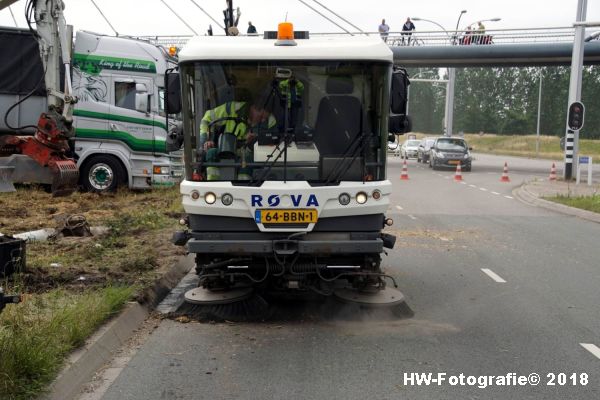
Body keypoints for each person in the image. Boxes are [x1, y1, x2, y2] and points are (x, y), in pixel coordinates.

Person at [199, 98, 277, 180]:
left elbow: (273, 141)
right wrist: (206, 140)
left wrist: (252, 142)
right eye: (261, 117)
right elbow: (206, 120)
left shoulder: (270, 122)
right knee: (211, 153)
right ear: (253, 108)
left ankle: (244, 188)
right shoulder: (232, 108)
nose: (263, 120)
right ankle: (213, 185)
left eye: (265, 118)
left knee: (248, 160)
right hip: (226, 150)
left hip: (249, 155)